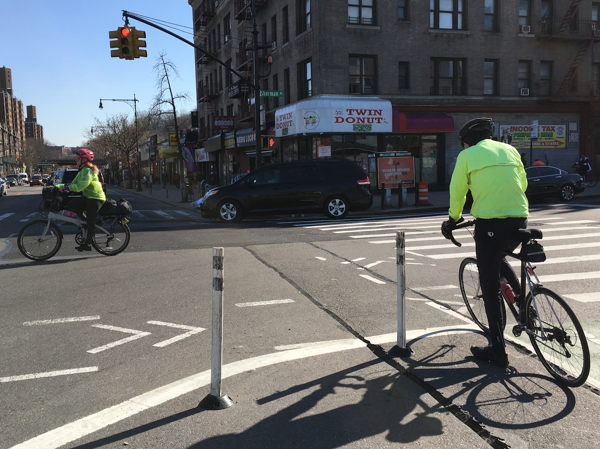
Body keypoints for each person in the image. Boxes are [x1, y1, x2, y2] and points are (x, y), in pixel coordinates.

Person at [442, 118, 529, 367]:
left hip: (490, 223)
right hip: (520, 219)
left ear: (467, 140)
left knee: (489, 287)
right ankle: (525, 306)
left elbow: (458, 189)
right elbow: (522, 184)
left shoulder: (468, 155)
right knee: (500, 256)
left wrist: (452, 220)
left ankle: (498, 351)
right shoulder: (510, 150)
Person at [60, 149, 106, 252]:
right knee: (71, 205)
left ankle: (87, 244)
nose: (76, 160)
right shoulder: (82, 171)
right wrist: (58, 186)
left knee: (90, 221)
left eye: (78, 158)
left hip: (96, 198)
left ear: (84, 160)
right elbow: (73, 183)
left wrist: (67, 189)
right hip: (88, 197)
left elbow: (80, 186)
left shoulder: (88, 171)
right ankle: (86, 223)